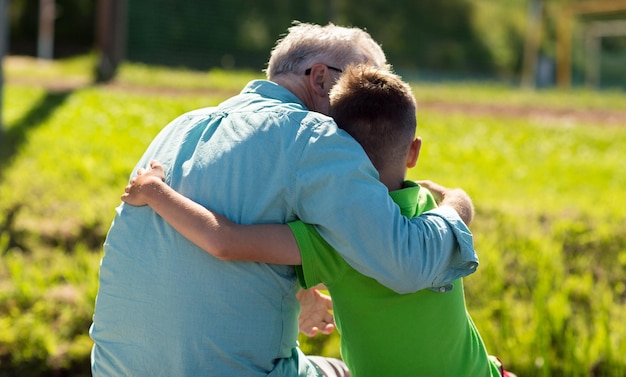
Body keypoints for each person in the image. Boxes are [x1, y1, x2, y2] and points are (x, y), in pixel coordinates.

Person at [90, 22, 478, 377]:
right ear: (321, 77)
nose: (362, 107)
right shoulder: (317, 137)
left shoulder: (178, 127)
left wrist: (299, 291)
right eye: (357, 85)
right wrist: (457, 206)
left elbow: (220, 239)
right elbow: (408, 261)